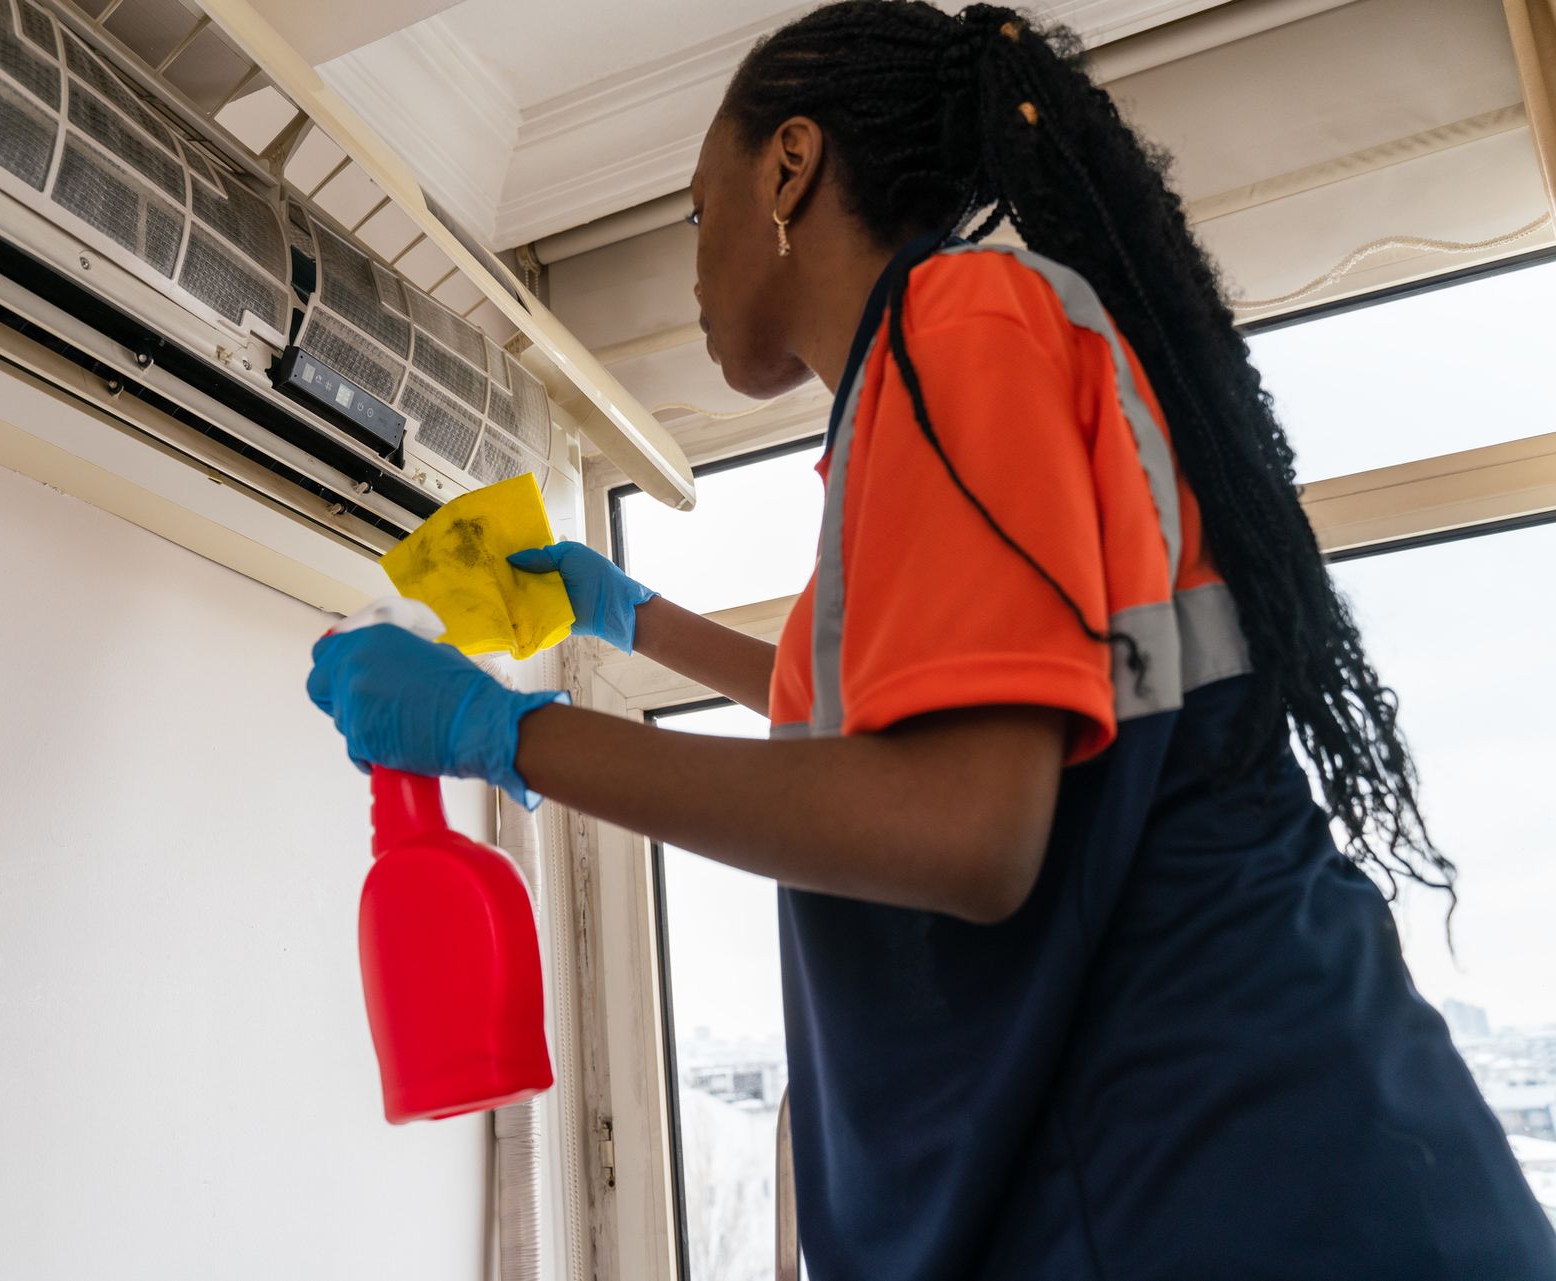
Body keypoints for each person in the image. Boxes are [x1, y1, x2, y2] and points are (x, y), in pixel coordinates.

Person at [309, 3, 1556, 1275]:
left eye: (698, 209)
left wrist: (504, 732)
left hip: (1227, 1176)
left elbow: (961, 826)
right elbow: (885, 721)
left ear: (788, 166)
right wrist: (624, 618)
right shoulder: (944, 367)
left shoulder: (957, 324)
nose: (693, 260)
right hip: (1255, 1176)